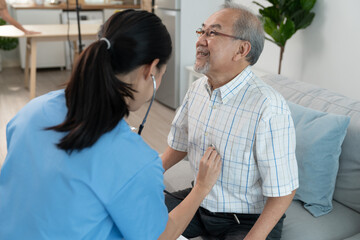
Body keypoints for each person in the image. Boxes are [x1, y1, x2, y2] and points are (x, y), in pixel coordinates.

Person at [0, 9, 222, 240]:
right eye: (163, 73)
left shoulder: (33, 110)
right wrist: (201, 188)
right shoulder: (133, 160)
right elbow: (160, 236)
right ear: (150, 70)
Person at [162, 2, 299, 240]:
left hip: (245, 219)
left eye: (212, 33)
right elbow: (178, 145)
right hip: (199, 201)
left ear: (242, 49)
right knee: (132, 219)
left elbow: (284, 190)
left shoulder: (268, 106)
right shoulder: (197, 88)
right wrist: (140, 176)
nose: (200, 40)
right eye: (202, 31)